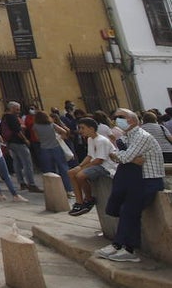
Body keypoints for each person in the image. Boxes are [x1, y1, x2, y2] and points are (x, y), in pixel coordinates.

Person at [96, 109, 165, 263]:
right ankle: (121, 246)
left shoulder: (141, 136)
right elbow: (116, 155)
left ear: (132, 121)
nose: (117, 120)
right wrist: (127, 158)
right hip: (139, 180)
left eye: (121, 117)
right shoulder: (128, 137)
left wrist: (122, 157)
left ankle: (125, 248)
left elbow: (123, 156)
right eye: (116, 118)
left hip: (149, 180)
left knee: (129, 211)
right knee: (127, 211)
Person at [68, 116, 116, 216]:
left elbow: (99, 160)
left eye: (82, 128)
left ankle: (89, 199)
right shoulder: (90, 139)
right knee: (71, 172)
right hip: (96, 164)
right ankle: (79, 201)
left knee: (80, 175)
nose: (80, 131)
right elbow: (89, 156)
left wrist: (82, 168)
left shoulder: (101, 140)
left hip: (106, 167)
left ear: (91, 128)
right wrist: (80, 166)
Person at [0, 101, 41, 193]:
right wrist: (25, 139)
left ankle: (22, 183)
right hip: (18, 142)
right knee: (27, 163)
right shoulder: (12, 117)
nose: (19, 111)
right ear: (12, 108)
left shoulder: (4, 117)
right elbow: (17, 130)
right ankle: (31, 184)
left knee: (17, 162)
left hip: (10, 143)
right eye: (17, 109)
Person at [33, 110, 72, 194]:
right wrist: (60, 138)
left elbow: (37, 138)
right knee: (63, 168)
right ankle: (68, 189)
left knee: (49, 170)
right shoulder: (51, 125)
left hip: (44, 148)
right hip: (56, 147)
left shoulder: (35, 126)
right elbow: (64, 131)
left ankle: (54, 190)